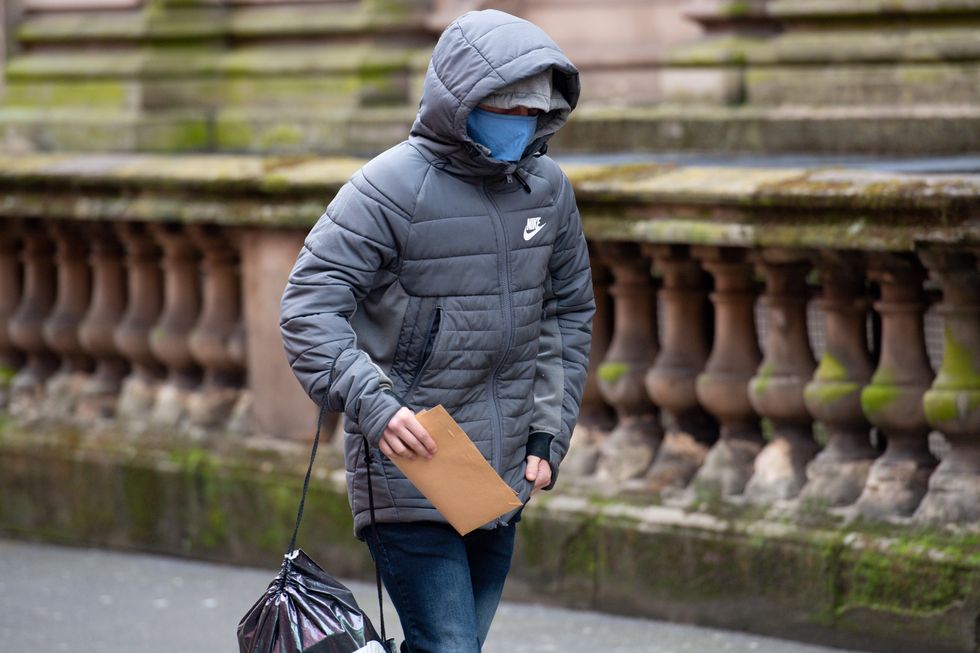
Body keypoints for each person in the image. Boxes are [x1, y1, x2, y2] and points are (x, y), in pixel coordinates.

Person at [279, 8, 594, 653]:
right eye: (503, 107)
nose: (520, 122)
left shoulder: (550, 190)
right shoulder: (385, 187)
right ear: (459, 101)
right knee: (449, 647)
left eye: (532, 111)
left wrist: (548, 433)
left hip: (501, 461)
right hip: (413, 456)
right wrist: (373, 401)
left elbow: (566, 314)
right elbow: (309, 304)